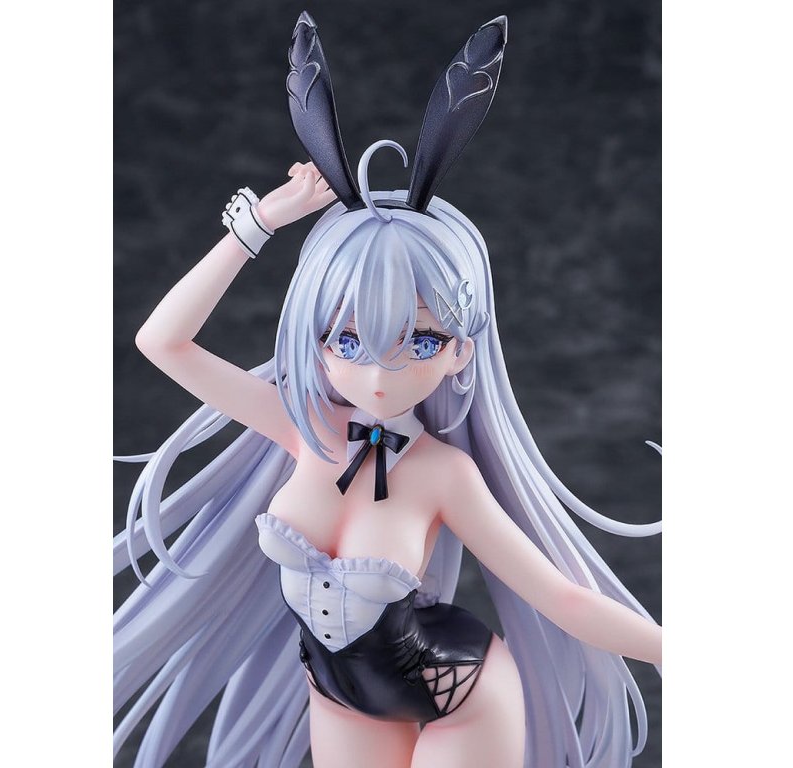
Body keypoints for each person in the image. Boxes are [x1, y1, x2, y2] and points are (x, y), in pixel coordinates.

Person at [114, 13, 661, 768]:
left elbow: (560, 597)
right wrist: (260, 223)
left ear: (461, 349)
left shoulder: (443, 473)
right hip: (338, 693)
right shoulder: (302, 426)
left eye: (422, 341)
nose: (379, 375)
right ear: (312, 338)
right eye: (347, 342)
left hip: (460, 694)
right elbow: (162, 342)